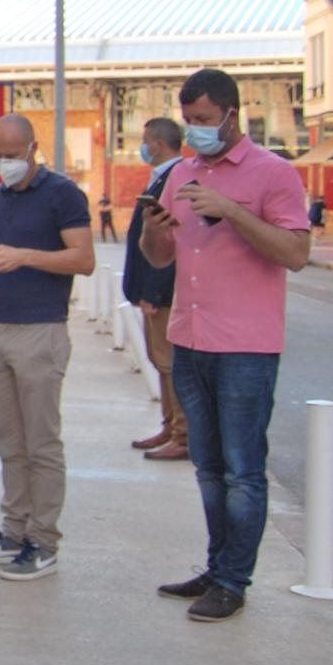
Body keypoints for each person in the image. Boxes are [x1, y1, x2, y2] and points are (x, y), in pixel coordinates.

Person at [140, 67, 311, 622]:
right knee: (209, 466)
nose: (196, 131)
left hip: (245, 345)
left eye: (206, 121)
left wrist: (234, 210)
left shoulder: (273, 174)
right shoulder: (180, 173)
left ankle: (236, 580)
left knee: (242, 469)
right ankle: (216, 568)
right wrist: (153, 228)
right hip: (190, 337)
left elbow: (295, 253)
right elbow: (159, 256)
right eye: (189, 122)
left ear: (233, 115)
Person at [0, 113, 95, 581]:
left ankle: (44, 539)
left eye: (12, 156)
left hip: (41, 328)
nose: (4, 164)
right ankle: (14, 529)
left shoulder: (62, 194)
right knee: (9, 440)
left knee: (41, 442)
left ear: (33, 149)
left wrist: (24, 256)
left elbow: (84, 258)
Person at [125, 119, 188, 462]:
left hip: (162, 294)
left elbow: (169, 241)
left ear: (159, 144)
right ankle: (169, 424)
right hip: (153, 292)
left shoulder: (174, 178)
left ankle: (182, 432)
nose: (142, 146)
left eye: (145, 140)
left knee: (169, 363)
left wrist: (154, 291)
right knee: (159, 360)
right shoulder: (162, 176)